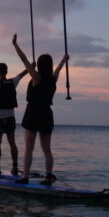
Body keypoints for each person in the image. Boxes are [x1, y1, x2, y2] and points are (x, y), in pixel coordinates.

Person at [11, 33, 68, 185]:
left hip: (33, 113)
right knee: (46, 149)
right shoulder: (52, 79)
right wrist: (63, 60)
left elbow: (24, 60)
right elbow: (58, 70)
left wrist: (15, 45)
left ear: (39, 66)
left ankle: (25, 177)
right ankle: (49, 176)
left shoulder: (36, 78)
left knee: (29, 148)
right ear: (49, 66)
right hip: (47, 114)